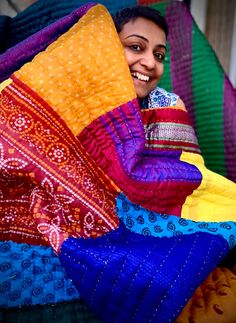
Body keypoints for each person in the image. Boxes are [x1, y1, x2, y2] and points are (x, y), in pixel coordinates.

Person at [113, 6, 186, 109]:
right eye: (136, 47)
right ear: (110, 47)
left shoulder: (171, 107)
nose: (150, 63)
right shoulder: (84, 96)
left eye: (158, 55)